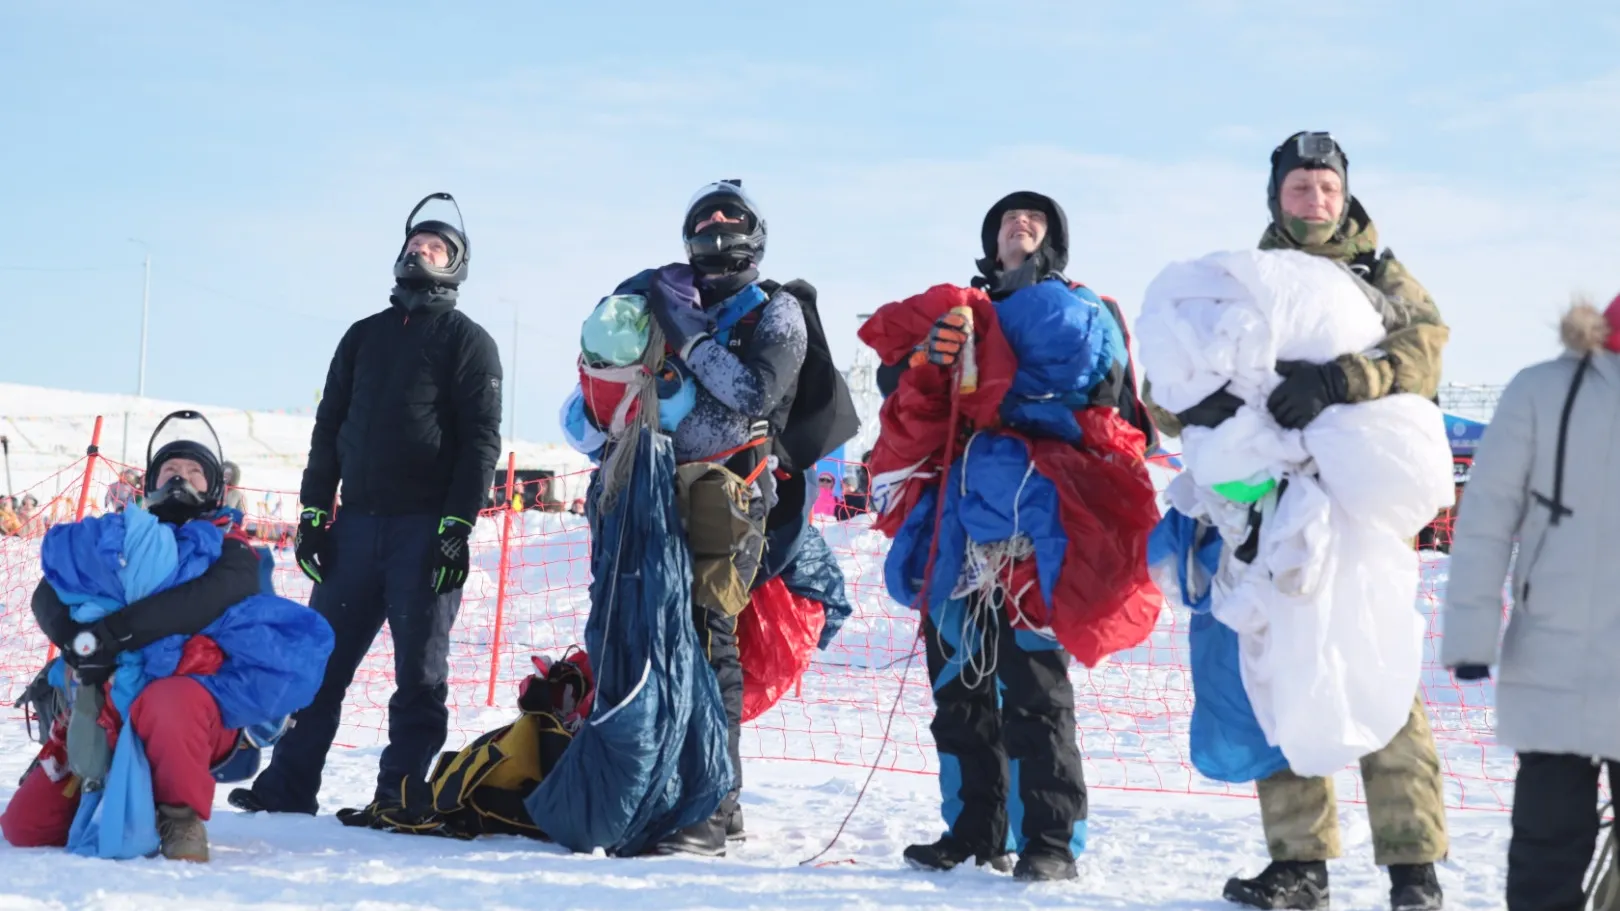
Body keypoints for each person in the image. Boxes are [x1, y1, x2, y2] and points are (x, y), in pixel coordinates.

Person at [1149, 132, 1450, 911]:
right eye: (1298, 189)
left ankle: (1413, 868)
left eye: (1325, 188)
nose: (1313, 201)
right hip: (1265, 511)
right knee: (1273, 675)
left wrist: (1343, 378)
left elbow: (1425, 351)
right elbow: (1167, 377)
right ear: (1275, 198)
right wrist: (1192, 400)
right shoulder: (1239, 284)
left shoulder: (1383, 278)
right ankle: (1299, 863)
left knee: (1377, 669)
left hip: (1354, 506)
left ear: (1344, 196)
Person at [864, 191, 1158, 882]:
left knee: (1034, 683)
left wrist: (1007, 386)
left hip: (1037, 522)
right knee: (957, 682)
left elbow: (1110, 397)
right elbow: (901, 386)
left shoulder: (1089, 307)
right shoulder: (963, 311)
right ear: (990, 241)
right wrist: (930, 362)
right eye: (1005, 220)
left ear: (1053, 240)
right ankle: (973, 829)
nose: (1018, 224)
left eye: (1034, 219)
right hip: (965, 521)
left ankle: (1050, 839)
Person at [231, 192, 503, 829]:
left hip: (423, 529)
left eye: (437, 246)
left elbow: (481, 441)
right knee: (317, 663)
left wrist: (456, 527)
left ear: (456, 263)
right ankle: (288, 786)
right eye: (415, 243)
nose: (422, 251)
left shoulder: (470, 342)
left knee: (419, 675)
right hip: (354, 528)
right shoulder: (362, 337)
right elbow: (329, 428)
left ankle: (400, 796)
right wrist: (312, 512)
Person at [1, 412, 329, 862]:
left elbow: (206, 597)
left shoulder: (232, 548)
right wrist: (81, 647)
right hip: (108, 698)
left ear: (215, 489)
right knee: (25, 828)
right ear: (151, 481)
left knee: (168, 699)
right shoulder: (119, 536)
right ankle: (83, 764)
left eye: (196, 472)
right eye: (171, 470)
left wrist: (109, 638)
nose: (182, 478)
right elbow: (48, 592)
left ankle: (179, 817)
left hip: (201, 711)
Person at [1442, 294, 1620, 910]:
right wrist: (1469, 631)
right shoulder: (1541, 390)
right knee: (1548, 848)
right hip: (1556, 656)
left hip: (1554, 658)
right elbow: (1487, 515)